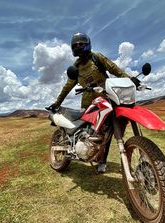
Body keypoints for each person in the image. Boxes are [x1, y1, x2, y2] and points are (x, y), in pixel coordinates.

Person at [47, 32, 140, 173]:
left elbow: (114, 68)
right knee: (92, 133)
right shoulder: (76, 67)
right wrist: (57, 102)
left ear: (88, 44)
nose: (79, 46)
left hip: (107, 98)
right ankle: (86, 151)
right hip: (89, 103)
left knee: (106, 132)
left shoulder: (97, 58)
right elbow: (67, 87)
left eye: (81, 43)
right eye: (75, 45)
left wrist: (129, 79)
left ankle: (102, 161)